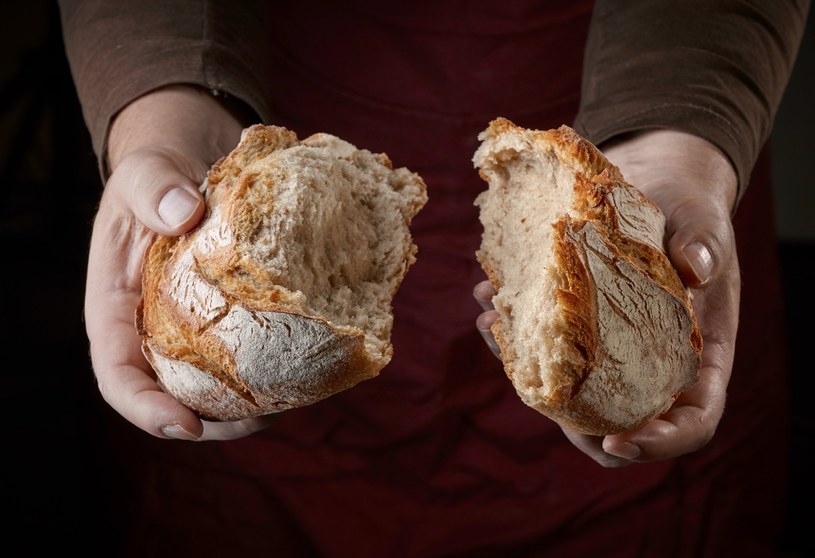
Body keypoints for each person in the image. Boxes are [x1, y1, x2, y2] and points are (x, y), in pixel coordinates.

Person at [58, 1, 808, 556]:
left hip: (639, 156)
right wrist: (166, 112)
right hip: (255, 101)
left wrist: (679, 140)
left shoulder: (635, 211)